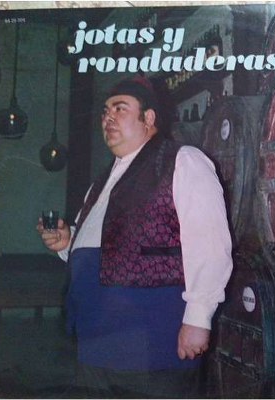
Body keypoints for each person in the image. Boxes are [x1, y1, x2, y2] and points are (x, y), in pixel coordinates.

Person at [37, 76, 233, 398]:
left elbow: (210, 243)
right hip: (95, 340)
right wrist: (67, 242)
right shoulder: (102, 181)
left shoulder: (182, 160)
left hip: (150, 341)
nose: (108, 118)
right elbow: (108, 245)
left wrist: (199, 318)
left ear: (149, 117)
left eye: (120, 109)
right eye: (105, 111)